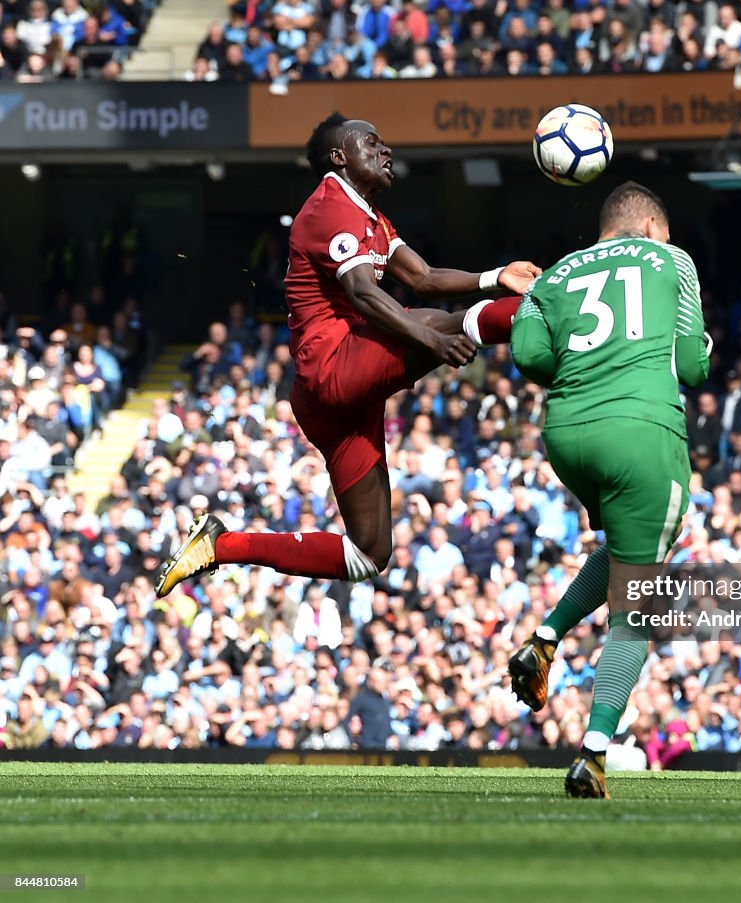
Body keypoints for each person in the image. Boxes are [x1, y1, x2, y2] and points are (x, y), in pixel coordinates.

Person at [156, 114, 539, 597]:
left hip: (339, 400)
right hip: (333, 369)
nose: (387, 150)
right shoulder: (329, 207)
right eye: (372, 143)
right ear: (340, 157)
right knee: (444, 322)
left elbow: (423, 276)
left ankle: (221, 545)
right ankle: (560, 311)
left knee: (369, 555)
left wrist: (497, 274)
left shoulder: (368, 215)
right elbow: (362, 293)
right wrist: (435, 344)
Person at [507, 181, 710, 797]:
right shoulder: (671, 260)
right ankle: (593, 756)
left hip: (567, 435)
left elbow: (529, 358)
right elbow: (692, 367)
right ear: (651, 227)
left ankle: (545, 637)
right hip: (641, 431)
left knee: (629, 553)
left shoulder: (556, 275)